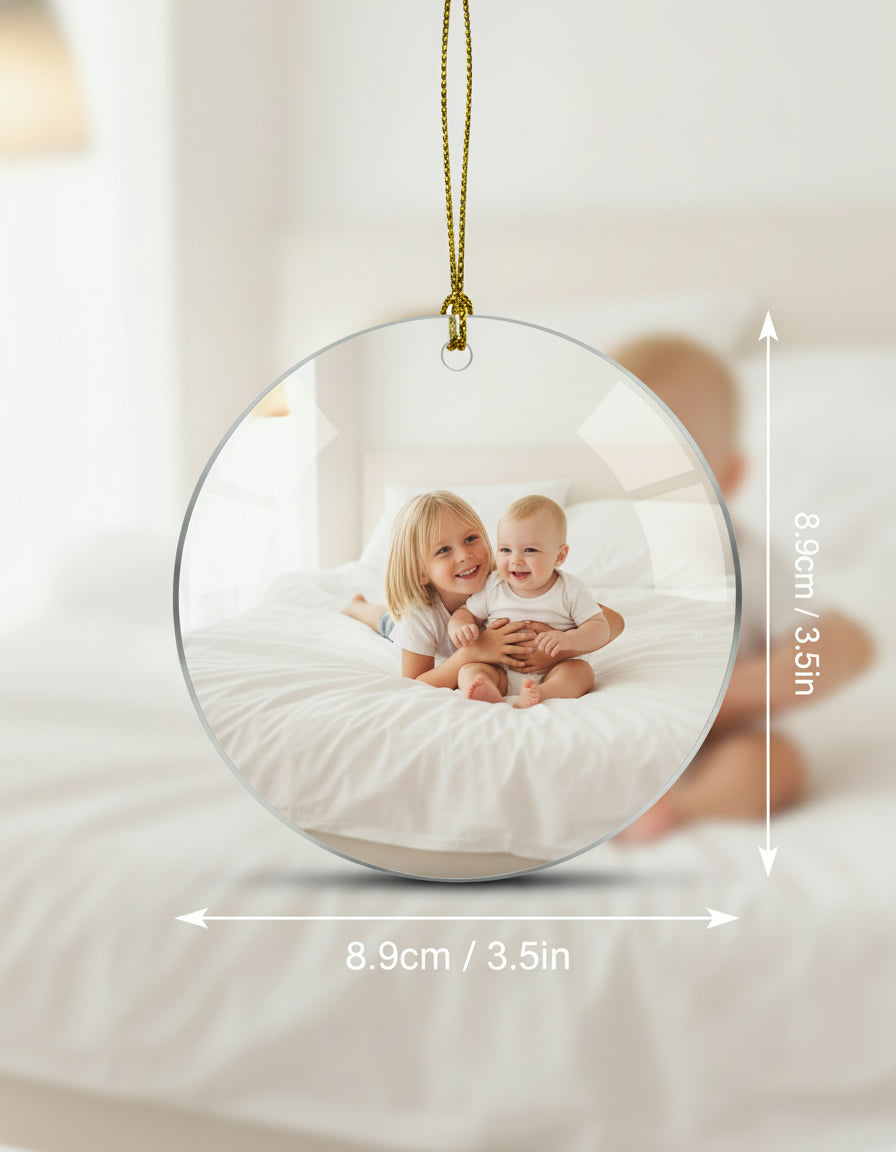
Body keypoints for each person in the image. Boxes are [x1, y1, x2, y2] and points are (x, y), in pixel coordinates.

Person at [611, 334, 874, 840]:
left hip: (720, 741)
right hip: (617, 727)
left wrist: (792, 668)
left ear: (728, 475)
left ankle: (679, 811)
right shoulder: (589, 548)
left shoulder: (751, 561)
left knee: (776, 763)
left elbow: (807, 642)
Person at [343, 490, 624, 692]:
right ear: (420, 572)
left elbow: (613, 621)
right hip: (416, 623)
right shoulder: (420, 616)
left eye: (470, 539)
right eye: (443, 550)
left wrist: (558, 648)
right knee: (388, 622)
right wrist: (472, 653)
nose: (465, 555)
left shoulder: (510, 578)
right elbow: (416, 684)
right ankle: (358, 606)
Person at [447, 495, 613, 708]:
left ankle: (540, 693)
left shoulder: (570, 589)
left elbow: (600, 628)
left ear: (559, 556)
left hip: (555, 668)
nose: (515, 559)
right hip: (500, 668)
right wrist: (460, 626)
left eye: (530, 550)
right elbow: (466, 612)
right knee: (469, 671)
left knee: (582, 673)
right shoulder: (494, 585)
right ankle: (486, 690)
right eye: (505, 550)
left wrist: (569, 640)